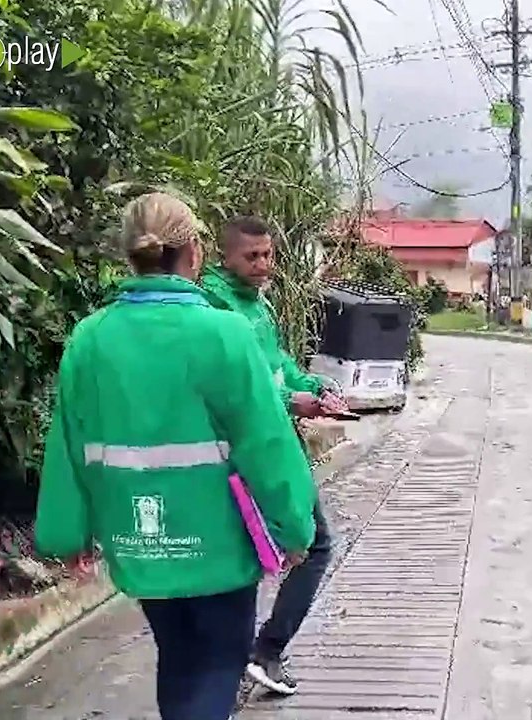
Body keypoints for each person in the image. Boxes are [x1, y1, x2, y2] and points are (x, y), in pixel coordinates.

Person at [34, 193, 317, 720]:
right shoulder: (224, 333)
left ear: (129, 255)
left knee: (179, 661)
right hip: (219, 547)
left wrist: (66, 535)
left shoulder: (90, 338)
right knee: (218, 666)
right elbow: (266, 444)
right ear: (195, 252)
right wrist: (295, 526)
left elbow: (69, 444)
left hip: (140, 543)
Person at [200, 216, 345, 697]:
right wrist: (289, 402)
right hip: (250, 450)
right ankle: (261, 652)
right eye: (252, 256)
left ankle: (242, 655)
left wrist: (314, 387)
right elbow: (236, 389)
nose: (263, 265)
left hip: (276, 443)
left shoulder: (257, 303)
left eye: (268, 255)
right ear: (224, 257)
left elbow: (277, 365)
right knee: (312, 544)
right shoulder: (216, 310)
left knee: (286, 547)